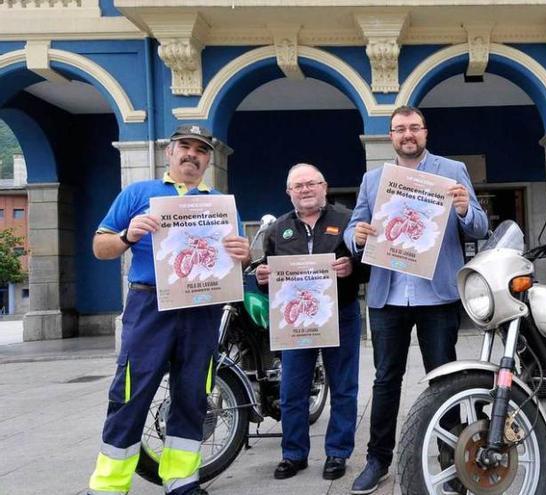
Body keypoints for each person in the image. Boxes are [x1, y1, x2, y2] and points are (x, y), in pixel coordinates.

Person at [87, 125, 250, 495]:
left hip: (203, 307)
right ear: (169, 153)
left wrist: (244, 254)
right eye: (185, 147)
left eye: (201, 150)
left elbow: (235, 262)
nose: (192, 154)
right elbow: (100, 247)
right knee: (131, 394)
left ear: (209, 159)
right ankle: (109, 486)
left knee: (193, 395)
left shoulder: (220, 203)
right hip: (150, 304)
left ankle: (181, 481)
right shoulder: (138, 193)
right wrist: (128, 235)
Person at [344, 105, 488, 494]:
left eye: (414, 128)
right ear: (390, 136)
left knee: (445, 381)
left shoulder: (452, 171)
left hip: (437, 294)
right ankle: (378, 460)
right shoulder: (374, 180)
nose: (407, 134)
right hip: (388, 295)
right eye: (399, 129)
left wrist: (462, 209)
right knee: (386, 379)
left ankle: (452, 460)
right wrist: (354, 237)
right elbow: (352, 230)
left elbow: (480, 225)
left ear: (425, 133)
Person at [254, 163, 363, 481]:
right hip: (296, 322)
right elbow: (268, 276)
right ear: (289, 192)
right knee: (292, 391)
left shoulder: (347, 219)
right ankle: (293, 454)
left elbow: (368, 263)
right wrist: (262, 278)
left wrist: (352, 268)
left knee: (344, 387)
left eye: (310, 183)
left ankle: (337, 454)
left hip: (340, 314)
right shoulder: (278, 229)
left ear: (324, 187)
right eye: (297, 185)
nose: (304, 189)